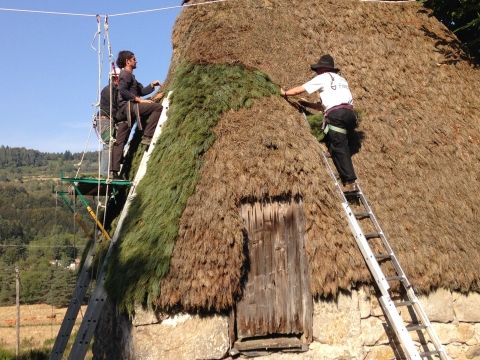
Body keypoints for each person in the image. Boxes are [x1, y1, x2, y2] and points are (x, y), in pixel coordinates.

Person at [281, 54, 358, 193]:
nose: (316, 72)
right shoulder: (342, 79)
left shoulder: (322, 77)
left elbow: (300, 89)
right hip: (350, 115)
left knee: (339, 147)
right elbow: (327, 105)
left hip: (337, 115)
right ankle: (332, 150)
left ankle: (350, 182)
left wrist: (285, 93)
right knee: (338, 142)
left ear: (323, 69)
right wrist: (307, 104)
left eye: (318, 70)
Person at [110, 50, 163, 178]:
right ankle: (147, 136)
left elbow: (142, 91)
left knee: (120, 141)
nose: (136, 60)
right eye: (134, 59)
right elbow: (123, 91)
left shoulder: (131, 77)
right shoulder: (125, 75)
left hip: (126, 112)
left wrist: (151, 85)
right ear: (128, 61)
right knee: (157, 108)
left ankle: (114, 171)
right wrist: (138, 99)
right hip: (129, 108)